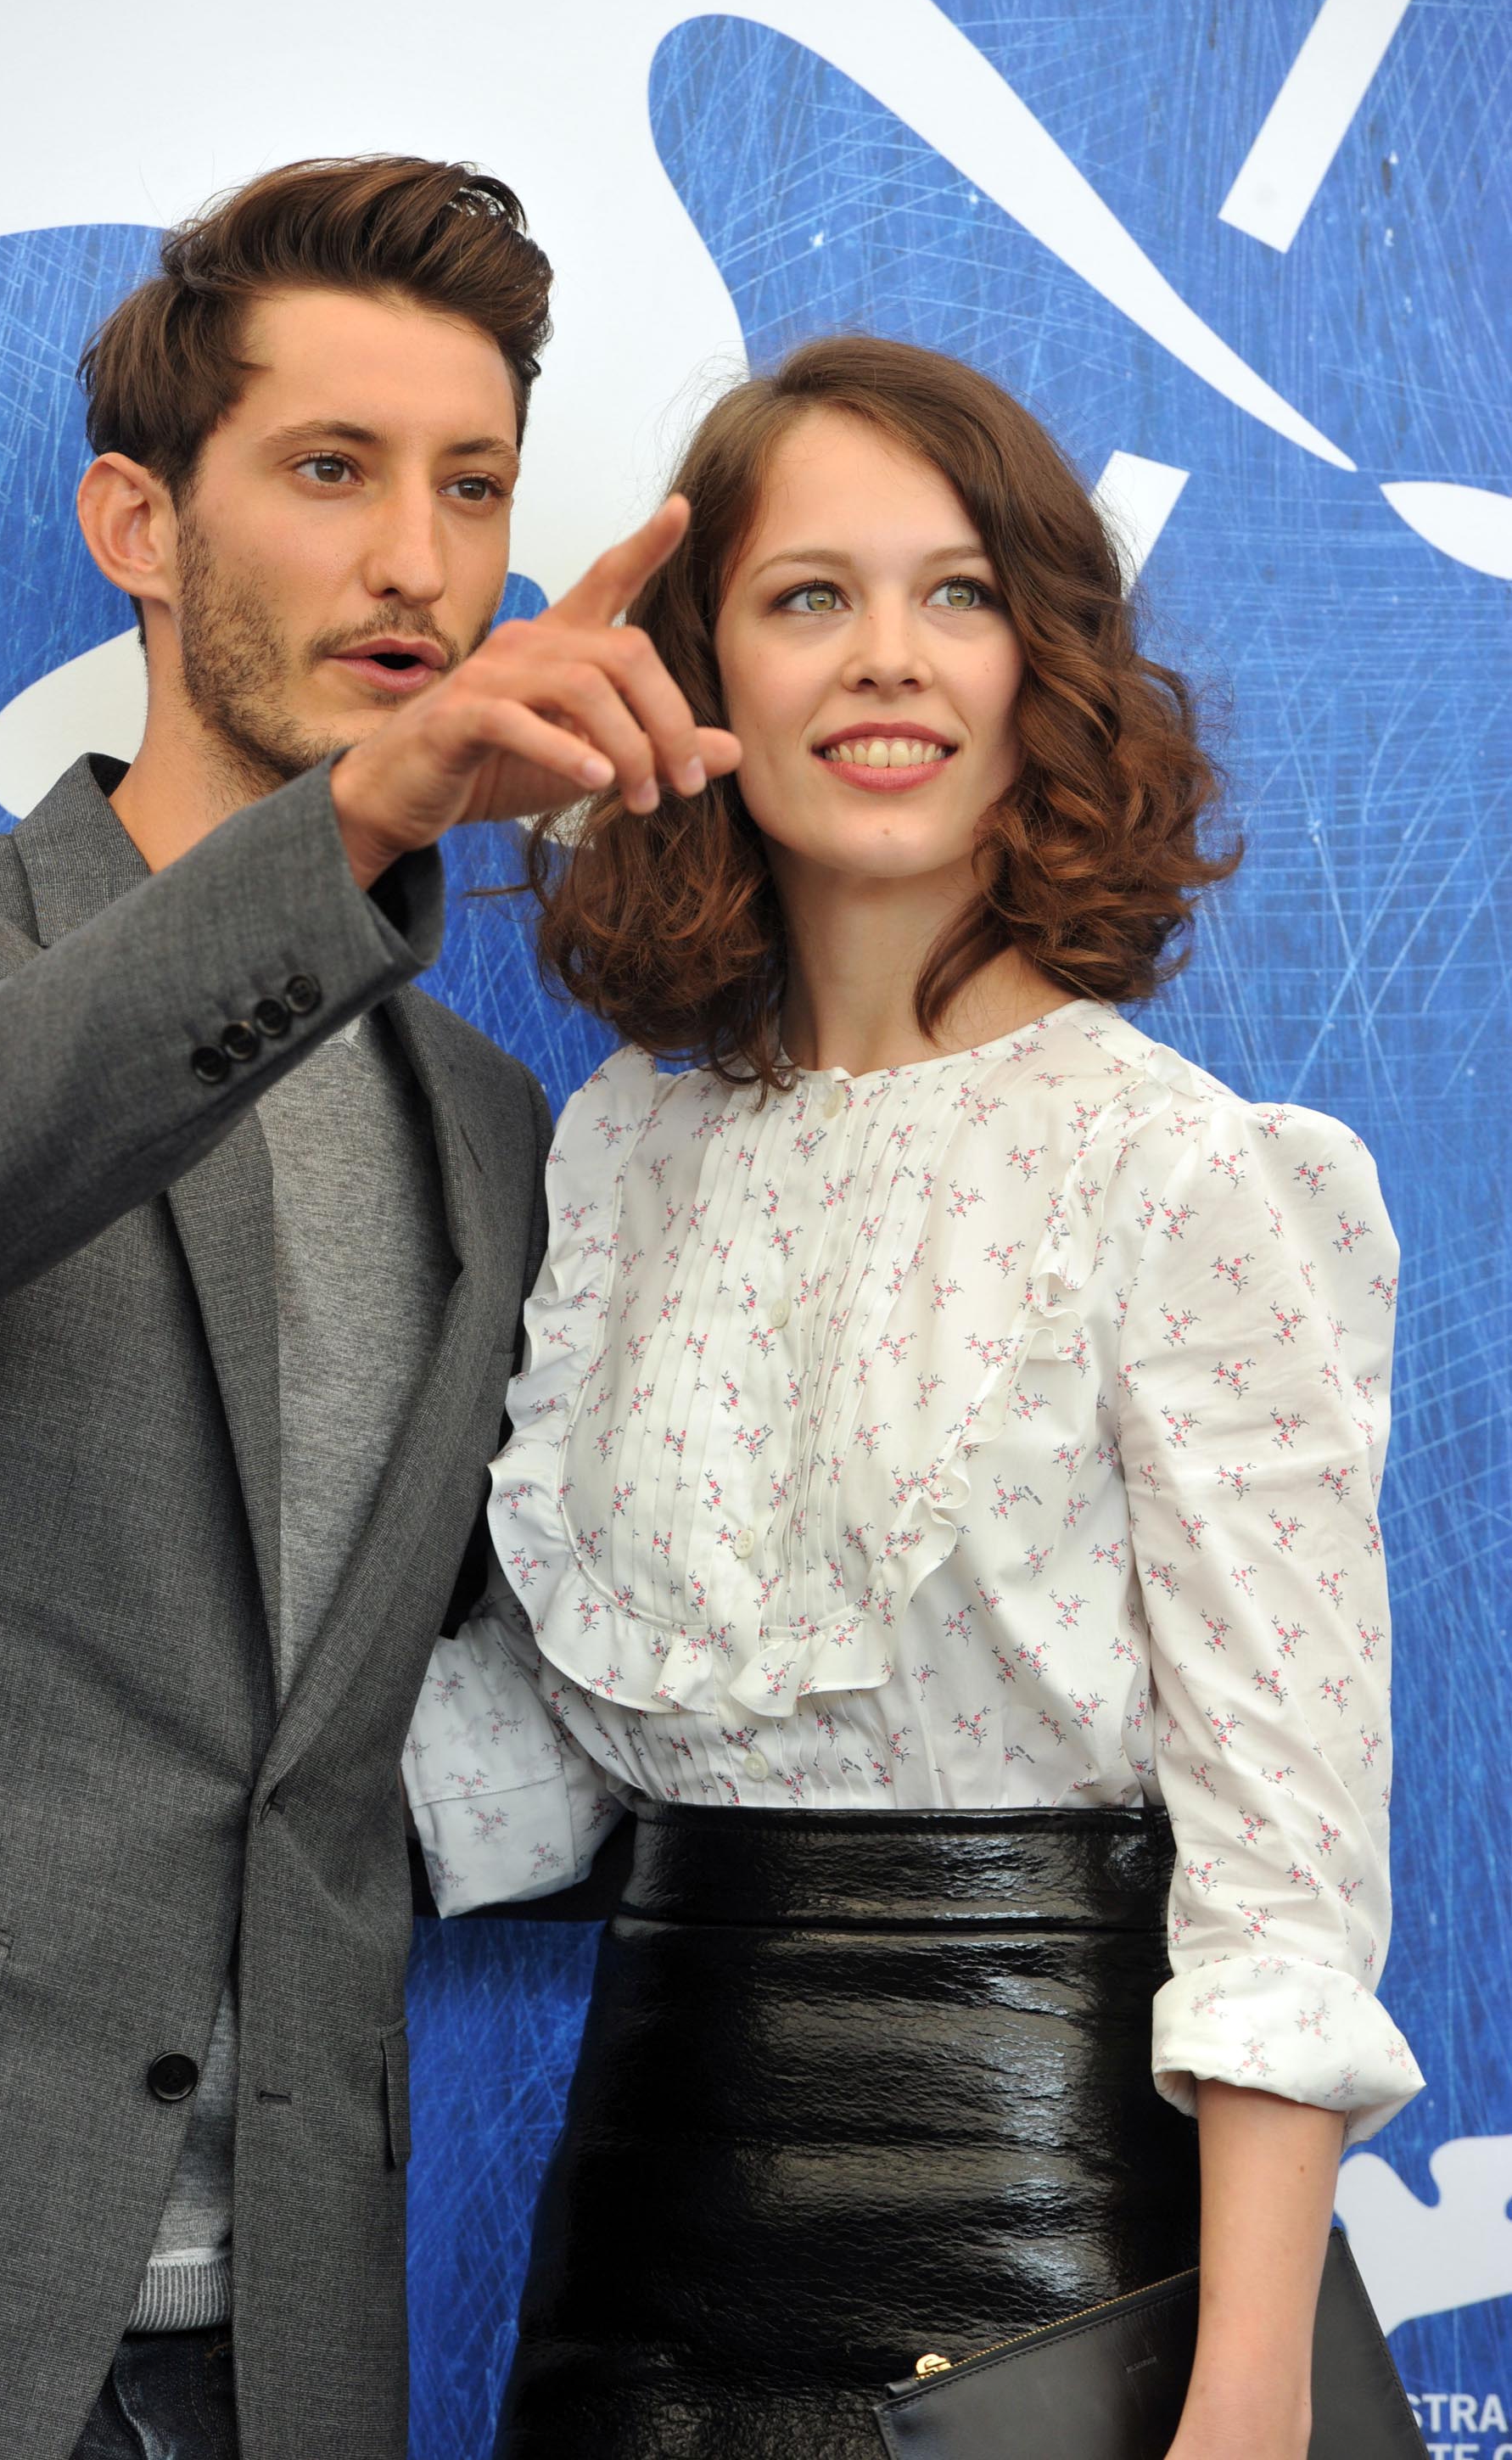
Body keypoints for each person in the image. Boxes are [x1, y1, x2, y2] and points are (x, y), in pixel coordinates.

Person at [404, 334, 1425, 2460]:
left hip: (1053, 2219)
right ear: (696, 680)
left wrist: (1246, 2391)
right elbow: (538, 1760)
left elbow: (1281, 1857)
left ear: (1046, 671)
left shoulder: (1189, 1174)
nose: (888, 661)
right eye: (810, 599)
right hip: (650, 2217)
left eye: (957, 595)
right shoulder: (618, 1153)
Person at [0, 154, 736, 2460]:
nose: (418, 563)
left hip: (281, 2336)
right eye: (328, 473)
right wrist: (363, 827)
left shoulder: (484, 1127)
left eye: (470, 486)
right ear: (140, 526)